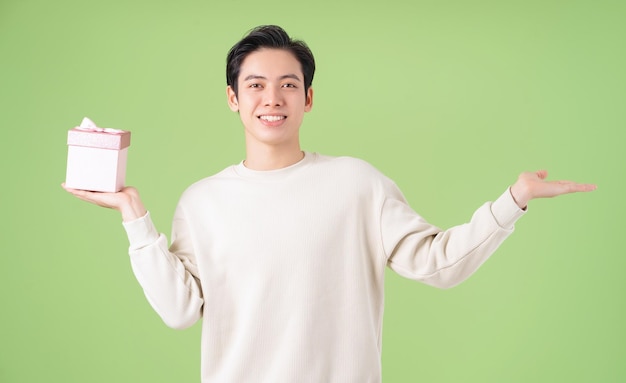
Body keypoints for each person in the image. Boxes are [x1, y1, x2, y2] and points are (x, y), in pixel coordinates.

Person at [63, 25, 596, 383]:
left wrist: (513, 200)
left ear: (308, 98)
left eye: (288, 85)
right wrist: (134, 212)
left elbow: (439, 263)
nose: (272, 98)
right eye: (256, 85)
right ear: (233, 98)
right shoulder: (203, 202)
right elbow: (180, 312)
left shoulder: (356, 184)